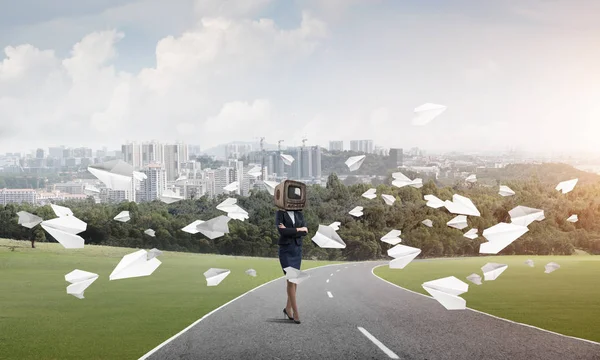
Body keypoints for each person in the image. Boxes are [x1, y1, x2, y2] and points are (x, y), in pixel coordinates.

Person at [276, 208, 308, 324]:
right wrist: (299, 229)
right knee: (291, 280)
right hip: (286, 250)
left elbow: (306, 232)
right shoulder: (280, 213)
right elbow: (282, 232)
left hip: (297, 250)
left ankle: (287, 308)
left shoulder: (299, 214)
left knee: (295, 281)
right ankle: (296, 313)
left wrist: (291, 230)